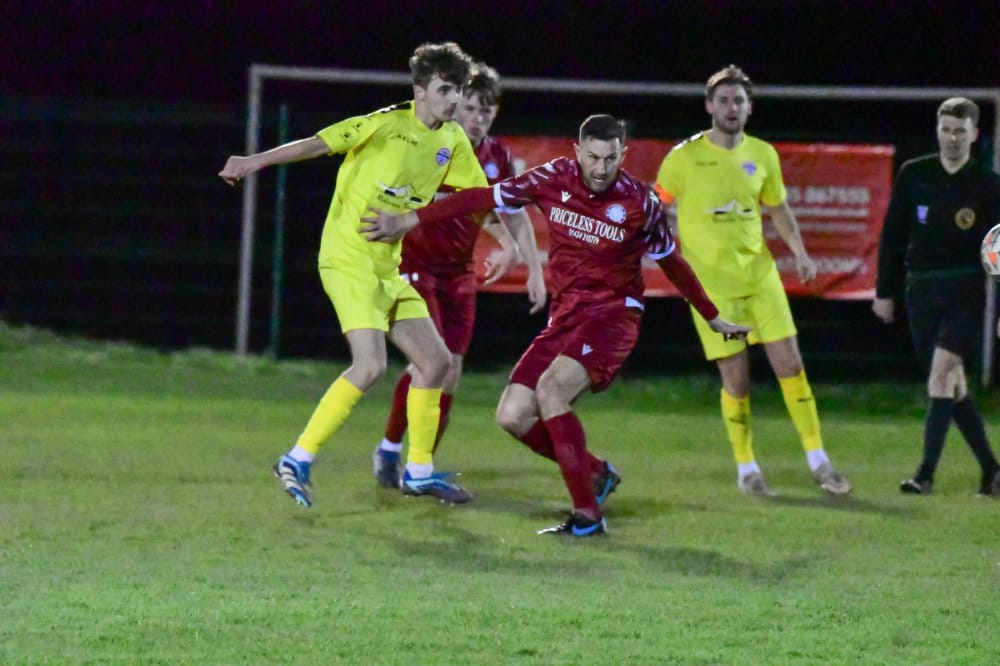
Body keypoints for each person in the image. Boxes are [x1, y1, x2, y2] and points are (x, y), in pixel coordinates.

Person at [362, 114, 751, 536]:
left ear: (623, 155)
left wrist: (711, 315)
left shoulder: (641, 202)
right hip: (566, 318)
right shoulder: (552, 178)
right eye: (593, 158)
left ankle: (587, 517)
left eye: (610, 159)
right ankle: (596, 473)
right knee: (512, 415)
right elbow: (481, 198)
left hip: (613, 316)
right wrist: (410, 219)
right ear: (578, 152)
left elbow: (672, 262)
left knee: (551, 391)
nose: (600, 169)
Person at [218, 42, 520, 507]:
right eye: (445, 89)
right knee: (371, 365)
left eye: (459, 90)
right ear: (420, 91)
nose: (454, 99)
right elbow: (318, 143)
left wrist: (508, 242)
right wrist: (252, 161)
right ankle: (297, 458)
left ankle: (418, 472)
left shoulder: (453, 141)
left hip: (387, 266)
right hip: (347, 259)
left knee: (437, 363)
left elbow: (475, 199)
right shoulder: (384, 124)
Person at [654, 65, 851, 497]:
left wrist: (800, 252)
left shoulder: (763, 154)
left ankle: (819, 461)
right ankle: (747, 469)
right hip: (711, 288)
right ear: (709, 106)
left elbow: (777, 207)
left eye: (738, 101)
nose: (731, 107)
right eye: (723, 100)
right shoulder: (683, 157)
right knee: (737, 381)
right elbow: (657, 205)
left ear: (749, 108)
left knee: (791, 366)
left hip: (761, 277)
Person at [372, 61, 546, 489]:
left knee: (449, 374)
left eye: (486, 110)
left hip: (458, 273)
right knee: (431, 363)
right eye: (470, 107)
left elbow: (510, 212)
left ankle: (421, 464)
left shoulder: (497, 157)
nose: (477, 118)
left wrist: (533, 268)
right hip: (413, 264)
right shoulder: (431, 143)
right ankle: (392, 450)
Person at [873, 97, 1000, 497]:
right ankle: (992, 470)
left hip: (965, 290)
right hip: (921, 291)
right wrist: (884, 291)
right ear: (937, 131)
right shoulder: (914, 174)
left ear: (974, 135)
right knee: (952, 385)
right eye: (946, 129)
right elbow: (892, 235)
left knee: (941, 375)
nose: (952, 138)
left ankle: (925, 475)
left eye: (960, 131)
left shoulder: (989, 184)